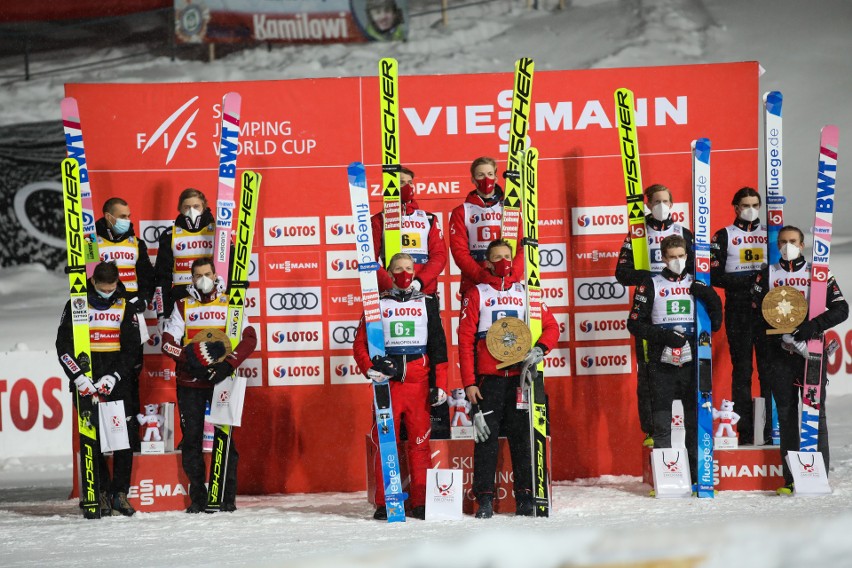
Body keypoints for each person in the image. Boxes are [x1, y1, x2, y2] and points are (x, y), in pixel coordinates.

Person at [458, 239, 559, 518]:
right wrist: (469, 382)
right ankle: (485, 500)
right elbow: (465, 341)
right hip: (488, 381)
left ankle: (526, 497)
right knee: (485, 440)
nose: (503, 261)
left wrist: (541, 348)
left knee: (523, 439)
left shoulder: (527, 291)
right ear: (488, 262)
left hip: (521, 380)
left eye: (507, 256)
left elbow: (551, 325)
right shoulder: (476, 293)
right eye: (497, 257)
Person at [750, 226, 848, 494]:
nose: (787, 246)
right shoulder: (766, 274)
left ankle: (819, 476)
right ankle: (791, 479)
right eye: (782, 242)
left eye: (792, 241)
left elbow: (842, 309)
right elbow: (755, 316)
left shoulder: (817, 273)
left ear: (802, 244)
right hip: (779, 355)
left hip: (811, 350)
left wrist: (813, 325)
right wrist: (778, 334)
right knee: (787, 416)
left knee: (816, 413)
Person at [353, 252, 449, 520]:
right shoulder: (377, 303)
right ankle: (386, 502)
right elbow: (360, 343)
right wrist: (368, 367)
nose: (404, 273)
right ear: (390, 273)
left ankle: (421, 502)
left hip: (418, 384)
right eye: (398, 268)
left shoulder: (428, 302)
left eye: (408, 268)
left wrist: (440, 383)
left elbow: (439, 346)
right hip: (388, 385)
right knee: (387, 442)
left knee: (419, 444)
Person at [161, 257, 257, 513]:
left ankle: (226, 497)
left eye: (207, 274)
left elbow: (249, 338)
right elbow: (167, 341)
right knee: (191, 441)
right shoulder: (182, 305)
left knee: (225, 440)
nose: (203, 279)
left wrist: (228, 366)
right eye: (198, 275)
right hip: (191, 381)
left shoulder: (230, 302)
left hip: (221, 380)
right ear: (191, 279)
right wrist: (191, 359)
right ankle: (198, 499)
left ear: (215, 275)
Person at [626, 235, 722, 488]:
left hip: (694, 358)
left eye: (681, 256)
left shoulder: (697, 281)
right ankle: (666, 480)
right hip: (662, 358)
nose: (677, 261)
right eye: (672, 257)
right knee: (661, 420)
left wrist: (710, 297)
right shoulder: (651, 283)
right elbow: (634, 324)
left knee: (695, 418)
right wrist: (664, 335)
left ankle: (696, 477)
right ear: (663, 258)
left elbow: (717, 324)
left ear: (687, 256)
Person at [56, 261, 142, 517]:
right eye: (103, 288)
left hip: (116, 380)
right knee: (91, 437)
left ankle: (119, 493)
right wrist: (78, 377)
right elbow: (63, 346)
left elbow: (132, 349)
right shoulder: (77, 302)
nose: (108, 291)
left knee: (123, 438)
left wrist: (114, 376)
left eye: (112, 286)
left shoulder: (125, 304)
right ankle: (99, 491)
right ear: (93, 282)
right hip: (87, 381)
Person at [371, 167, 451, 438]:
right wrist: (394, 285)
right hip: (390, 297)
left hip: (424, 294)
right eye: (398, 183)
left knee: (430, 349)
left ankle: (430, 414)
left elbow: (439, 256)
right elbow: (370, 260)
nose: (403, 187)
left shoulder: (427, 218)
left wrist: (417, 283)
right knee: (392, 352)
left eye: (407, 183)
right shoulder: (379, 219)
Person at [615, 183, 695, 447]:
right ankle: (651, 429)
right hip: (652, 309)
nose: (662, 206)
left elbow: (697, 273)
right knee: (648, 372)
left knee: (688, 374)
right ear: (647, 204)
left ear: (673, 204)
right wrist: (652, 279)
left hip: (682, 309)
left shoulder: (683, 232)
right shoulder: (637, 233)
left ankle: (692, 432)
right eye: (656, 201)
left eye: (666, 201)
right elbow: (622, 274)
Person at [710, 187, 771, 444]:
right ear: (735, 207)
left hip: (769, 311)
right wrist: (752, 280)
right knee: (743, 371)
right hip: (739, 310)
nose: (750, 209)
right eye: (745, 205)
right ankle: (744, 432)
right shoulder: (724, 235)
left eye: (755, 204)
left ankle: (769, 432)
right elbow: (714, 275)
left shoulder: (771, 233)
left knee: (769, 372)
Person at [96, 196, 155, 451]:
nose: (127, 221)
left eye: (129, 216)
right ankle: (104, 440)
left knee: (130, 375)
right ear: (108, 216)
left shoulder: (136, 242)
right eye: (122, 216)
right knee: (103, 376)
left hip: (129, 318)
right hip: (102, 318)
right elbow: (85, 275)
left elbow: (148, 278)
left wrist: (143, 299)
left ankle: (130, 440)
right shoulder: (91, 242)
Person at [449, 157, 524, 297]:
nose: (486, 179)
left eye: (490, 174)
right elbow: (459, 252)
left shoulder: (510, 209)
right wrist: (482, 276)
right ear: (473, 179)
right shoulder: (462, 211)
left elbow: (521, 247)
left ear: (496, 177)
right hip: (475, 283)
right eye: (480, 175)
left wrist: (512, 275)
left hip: (507, 283)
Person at [154, 188, 216, 320]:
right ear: (180, 209)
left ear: (204, 207)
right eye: (186, 207)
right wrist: (162, 313)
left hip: (213, 297)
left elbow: (229, 266)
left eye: (196, 206)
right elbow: (162, 278)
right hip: (181, 298)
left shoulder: (218, 232)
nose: (191, 211)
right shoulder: (170, 235)